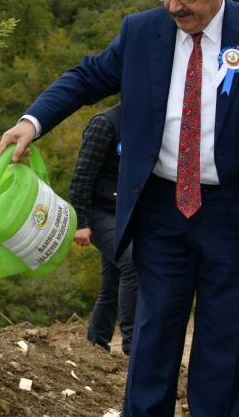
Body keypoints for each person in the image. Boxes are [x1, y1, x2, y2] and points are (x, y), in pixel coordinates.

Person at [0, 0, 239, 417]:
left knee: (223, 346)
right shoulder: (141, 31)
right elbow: (86, 77)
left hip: (236, 215)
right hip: (160, 211)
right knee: (151, 340)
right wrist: (31, 121)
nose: (173, 7)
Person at [69, 103, 138, 355]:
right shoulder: (104, 123)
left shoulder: (148, 121)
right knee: (133, 262)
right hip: (99, 213)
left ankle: (96, 347)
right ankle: (133, 347)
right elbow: (81, 176)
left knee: (113, 282)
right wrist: (82, 223)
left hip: (127, 214)